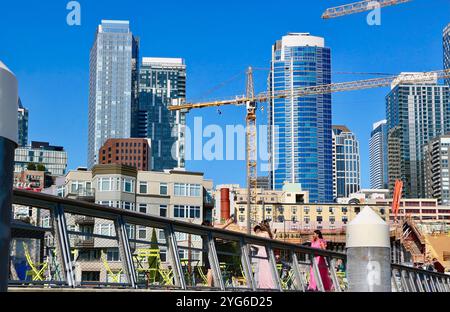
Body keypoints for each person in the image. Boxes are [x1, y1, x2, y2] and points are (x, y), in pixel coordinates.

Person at [202, 217, 234, 287]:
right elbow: (219, 230)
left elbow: (217, 231)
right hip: (210, 252)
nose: (212, 225)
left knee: (212, 269)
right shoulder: (208, 232)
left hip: (210, 251)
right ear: (208, 226)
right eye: (211, 224)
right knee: (210, 269)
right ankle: (209, 285)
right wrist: (227, 223)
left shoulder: (205, 233)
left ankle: (211, 285)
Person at [254, 224, 276, 289]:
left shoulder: (256, 235)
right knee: (267, 269)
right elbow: (270, 242)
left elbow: (254, 245)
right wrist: (274, 236)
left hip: (260, 252)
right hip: (265, 251)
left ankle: (261, 285)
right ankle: (269, 284)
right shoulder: (265, 233)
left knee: (261, 270)